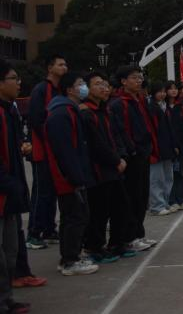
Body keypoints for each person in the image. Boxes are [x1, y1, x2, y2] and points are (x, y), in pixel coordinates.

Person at [45, 73, 98, 276]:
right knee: (75, 216)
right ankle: (70, 260)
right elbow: (64, 150)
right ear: (69, 90)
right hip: (67, 177)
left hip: (73, 173)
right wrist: (75, 177)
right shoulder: (61, 113)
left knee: (75, 216)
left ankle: (70, 256)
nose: (84, 87)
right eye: (80, 84)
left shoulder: (70, 110)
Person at [79, 71, 130, 264]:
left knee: (120, 206)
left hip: (114, 167)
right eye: (98, 84)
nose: (104, 88)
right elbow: (97, 144)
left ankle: (117, 242)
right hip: (99, 169)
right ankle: (94, 247)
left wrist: (122, 156)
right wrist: (116, 160)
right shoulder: (86, 113)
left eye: (105, 84)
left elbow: (116, 135)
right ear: (87, 89)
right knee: (98, 210)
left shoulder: (105, 110)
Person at [108, 66, 155, 253]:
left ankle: (138, 234)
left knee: (142, 197)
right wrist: (131, 151)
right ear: (123, 81)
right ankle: (129, 237)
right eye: (134, 78)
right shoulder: (119, 104)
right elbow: (120, 132)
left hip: (143, 153)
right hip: (132, 156)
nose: (139, 81)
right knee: (132, 198)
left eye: (140, 77)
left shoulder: (139, 100)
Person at [0, 60, 34, 313]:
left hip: (10, 193)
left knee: (10, 251)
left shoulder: (10, 112)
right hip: (4, 191)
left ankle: (6, 298)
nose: (18, 82)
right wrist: (10, 183)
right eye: (13, 78)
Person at [25, 54, 66, 250]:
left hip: (55, 149)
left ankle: (49, 229)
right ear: (50, 68)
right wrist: (49, 139)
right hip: (42, 150)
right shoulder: (41, 89)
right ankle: (33, 233)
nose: (64, 67)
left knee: (52, 192)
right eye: (60, 64)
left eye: (65, 64)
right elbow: (35, 119)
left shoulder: (59, 90)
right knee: (41, 193)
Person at [146, 83, 176, 216]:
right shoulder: (151, 108)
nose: (162, 94)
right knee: (156, 178)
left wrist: (174, 145)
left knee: (168, 177)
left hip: (167, 147)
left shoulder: (165, 107)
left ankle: (165, 202)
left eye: (164, 91)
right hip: (156, 148)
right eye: (159, 92)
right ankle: (156, 205)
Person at [167, 82, 183, 211]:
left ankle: (181, 199)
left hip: (182, 144)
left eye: (175, 88)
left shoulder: (182, 105)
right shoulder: (163, 107)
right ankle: (171, 200)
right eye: (170, 89)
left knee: (181, 173)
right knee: (170, 173)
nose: (174, 91)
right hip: (168, 145)